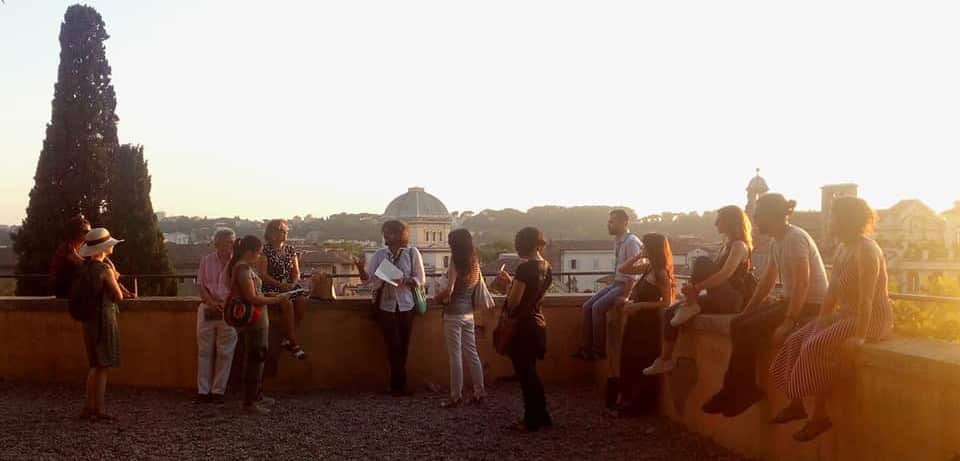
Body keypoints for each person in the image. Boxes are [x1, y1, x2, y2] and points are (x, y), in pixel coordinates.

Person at [769, 197, 893, 442]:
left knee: (816, 345)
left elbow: (867, 299)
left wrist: (859, 336)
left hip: (870, 318)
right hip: (846, 313)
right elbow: (833, 292)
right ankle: (796, 403)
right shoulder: (843, 248)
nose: (829, 221)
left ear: (846, 219)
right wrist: (821, 320)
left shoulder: (867, 250)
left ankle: (819, 416)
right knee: (796, 339)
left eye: (833, 216)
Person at [700, 194, 829, 418]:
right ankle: (734, 389)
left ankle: (743, 390)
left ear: (772, 215)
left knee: (747, 328)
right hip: (792, 301)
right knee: (739, 323)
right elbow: (767, 281)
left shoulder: (795, 238)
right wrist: (747, 310)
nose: (755, 219)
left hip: (810, 305)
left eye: (758, 215)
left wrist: (789, 321)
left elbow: (802, 282)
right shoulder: (777, 241)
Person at [643, 206, 754, 376]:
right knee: (670, 312)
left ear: (730, 222)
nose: (716, 223)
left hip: (732, 300)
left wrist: (695, 289)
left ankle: (691, 303)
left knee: (701, 261)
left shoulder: (740, 246)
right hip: (718, 297)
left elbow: (724, 275)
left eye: (720, 219)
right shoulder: (726, 245)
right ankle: (664, 360)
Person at [603, 233, 675, 417]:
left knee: (640, 360)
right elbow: (624, 268)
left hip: (647, 324)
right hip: (636, 321)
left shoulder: (660, 272)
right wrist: (639, 255)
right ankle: (626, 402)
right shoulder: (648, 267)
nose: (642, 248)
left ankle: (638, 406)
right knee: (628, 360)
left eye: (645, 246)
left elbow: (666, 302)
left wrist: (640, 305)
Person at [495, 227, 554, 432]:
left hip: (522, 328)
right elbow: (534, 296)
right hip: (537, 323)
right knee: (531, 373)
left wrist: (507, 286)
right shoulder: (547, 267)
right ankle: (542, 415)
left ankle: (531, 420)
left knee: (526, 375)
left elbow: (513, 302)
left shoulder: (524, 269)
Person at [228, 235, 291, 415]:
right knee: (255, 358)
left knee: (258, 357)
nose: (259, 256)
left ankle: (256, 395)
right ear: (250, 252)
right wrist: (276, 299)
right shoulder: (243, 269)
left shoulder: (243, 268)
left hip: (257, 318)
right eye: (258, 253)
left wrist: (270, 297)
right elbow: (252, 298)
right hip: (254, 320)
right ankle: (249, 402)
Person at [365, 220, 426, 397]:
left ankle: (397, 386)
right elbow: (369, 279)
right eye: (385, 232)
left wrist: (404, 280)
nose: (386, 236)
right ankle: (399, 385)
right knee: (394, 345)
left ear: (401, 235)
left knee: (403, 346)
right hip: (386, 305)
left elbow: (420, 279)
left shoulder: (412, 253)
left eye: (389, 233)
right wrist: (363, 271)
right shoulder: (379, 254)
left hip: (406, 305)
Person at [572, 209, 643, 361]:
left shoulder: (631, 242)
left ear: (624, 223)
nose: (609, 225)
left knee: (597, 308)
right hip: (616, 283)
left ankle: (598, 350)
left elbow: (633, 274)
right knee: (586, 307)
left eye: (612, 222)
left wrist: (626, 296)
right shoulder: (618, 241)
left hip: (624, 285)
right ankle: (585, 348)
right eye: (609, 221)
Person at [76, 228, 130, 421]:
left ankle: (88, 407)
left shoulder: (85, 268)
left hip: (89, 320)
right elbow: (119, 296)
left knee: (94, 365)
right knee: (103, 365)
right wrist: (114, 278)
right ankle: (99, 409)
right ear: (103, 248)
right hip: (104, 319)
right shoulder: (104, 269)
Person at [435, 229, 486, 408]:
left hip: (453, 314)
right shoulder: (475, 262)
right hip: (468, 314)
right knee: (472, 353)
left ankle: (456, 396)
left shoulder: (455, 261)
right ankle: (480, 392)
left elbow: (449, 290)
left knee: (455, 355)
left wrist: (438, 298)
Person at [194, 228, 239, 404]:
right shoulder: (206, 261)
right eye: (229, 241)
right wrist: (211, 302)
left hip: (229, 310)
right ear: (218, 243)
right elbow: (200, 285)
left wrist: (227, 303)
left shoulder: (237, 263)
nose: (232, 245)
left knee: (225, 352)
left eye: (233, 241)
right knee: (204, 351)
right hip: (209, 308)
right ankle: (203, 390)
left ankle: (218, 391)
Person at [257, 219, 308, 360]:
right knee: (287, 303)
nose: (286, 233)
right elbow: (262, 274)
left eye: (287, 231)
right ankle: (293, 342)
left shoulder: (290, 249)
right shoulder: (265, 250)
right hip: (271, 287)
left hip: (289, 286)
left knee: (302, 300)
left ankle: (287, 337)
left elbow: (296, 271)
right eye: (283, 231)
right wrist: (281, 286)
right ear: (273, 233)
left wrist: (293, 283)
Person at [50, 215, 92, 298]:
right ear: (76, 232)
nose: (89, 234)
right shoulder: (68, 249)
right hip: (65, 289)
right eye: (86, 231)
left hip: (76, 287)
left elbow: (101, 260)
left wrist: (110, 268)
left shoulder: (85, 247)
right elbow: (86, 266)